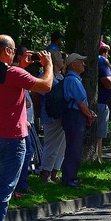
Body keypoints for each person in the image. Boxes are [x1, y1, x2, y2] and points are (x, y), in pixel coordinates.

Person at [0, 35, 53, 221]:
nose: (15, 55)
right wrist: (48, 65)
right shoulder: (14, 73)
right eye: (13, 51)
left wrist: (23, 65)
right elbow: (46, 86)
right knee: (3, 191)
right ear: (7, 52)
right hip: (12, 140)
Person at [61, 53, 97, 187]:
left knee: (72, 147)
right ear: (73, 65)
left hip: (73, 116)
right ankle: (70, 180)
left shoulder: (72, 79)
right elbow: (81, 103)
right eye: (81, 62)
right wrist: (89, 115)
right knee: (74, 149)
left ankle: (68, 177)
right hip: (75, 116)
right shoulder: (73, 80)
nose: (84, 65)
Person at [39, 50, 66, 183]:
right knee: (51, 145)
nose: (63, 60)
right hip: (50, 116)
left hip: (61, 116)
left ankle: (55, 172)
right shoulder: (44, 76)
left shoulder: (61, 77)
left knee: (61, 145)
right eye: (61, 58)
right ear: (55, 61)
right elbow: (41, 93)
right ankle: (45, 174)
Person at [96, 41, 111, 162]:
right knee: (99, 134)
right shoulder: (102, 61)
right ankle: (98, 157)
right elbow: (108, 83)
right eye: (106, 51)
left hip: (98, 101)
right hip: (101, 102)